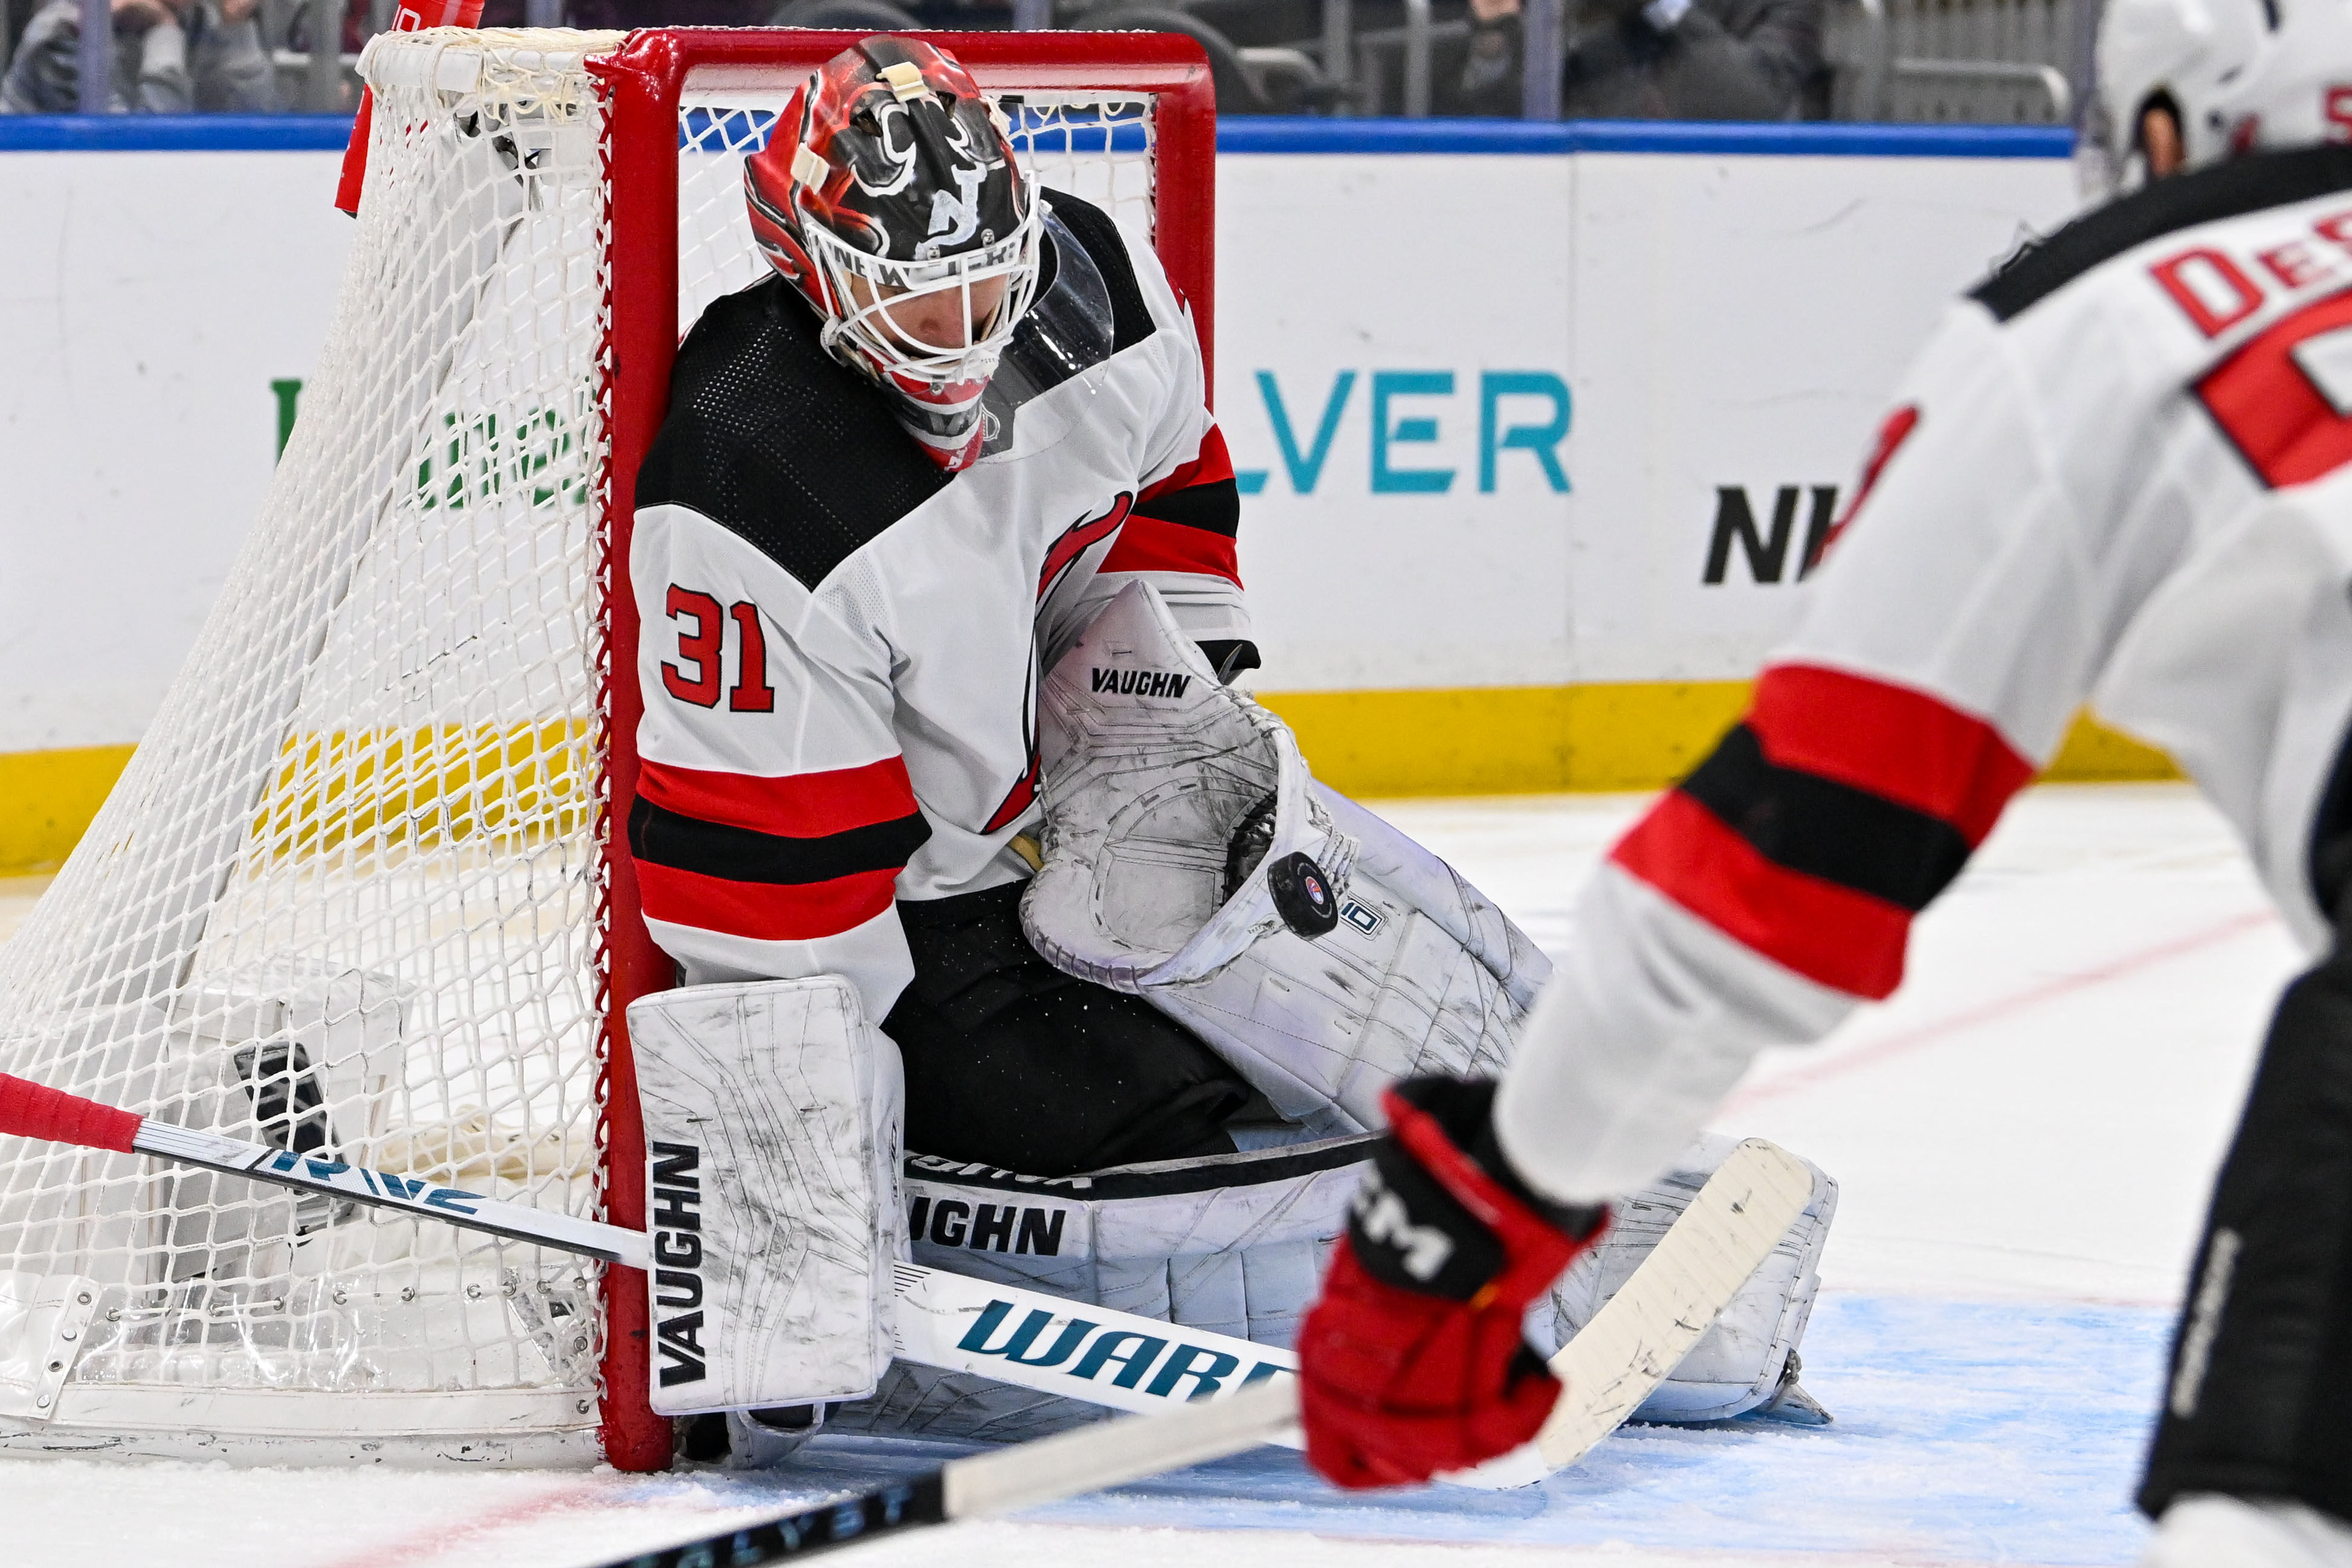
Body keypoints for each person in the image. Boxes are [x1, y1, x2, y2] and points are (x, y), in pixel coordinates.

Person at [631, 34, 1839, 1463]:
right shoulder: (750, 485)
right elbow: (780, 913)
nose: (961, 327)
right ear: (810, 269)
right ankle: (1517, 1295)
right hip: (926, 916)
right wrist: (793, 1220)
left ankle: (1642, 1216)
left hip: (1072, 800)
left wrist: (1168, 725)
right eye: (916, 296)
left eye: (983, 281)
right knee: (1196, 1130)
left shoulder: (1091, 281)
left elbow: (1175, 486)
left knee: (1417, 975)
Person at [1294, 0, 2352, 1557]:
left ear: (2174, 132)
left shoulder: (2109, 319)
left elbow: (1790, 855)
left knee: (2257, 1522)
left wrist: (1500, 1195)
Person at [1452, 0, 1823, 120]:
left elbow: (1756, 100)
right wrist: (1496, 35)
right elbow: (1498, 119)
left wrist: (1664, 8)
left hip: (1714, 206)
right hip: (1576, 197)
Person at [0, 0, 272, 112]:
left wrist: (236, 30)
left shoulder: (200, 21)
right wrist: (164, 30)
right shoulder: (68, 28)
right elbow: (142, 159)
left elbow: (264, 132)